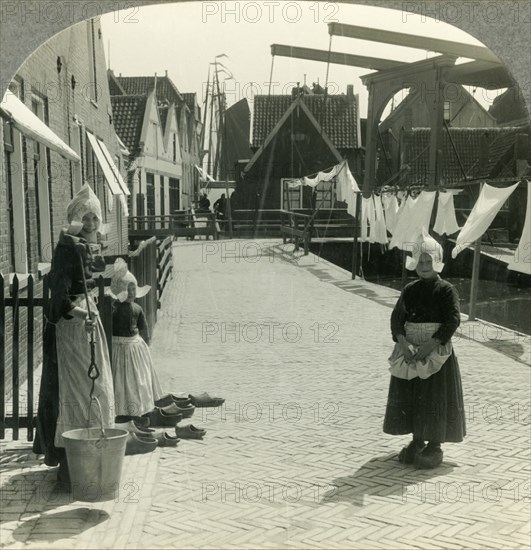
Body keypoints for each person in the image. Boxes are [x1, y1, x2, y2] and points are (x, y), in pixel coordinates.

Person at [33, 183, 115, 486]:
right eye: (85, 218)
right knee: (81, 392)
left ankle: (89, 455)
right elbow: (60, 301)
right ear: (74, 219)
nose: (91, 224)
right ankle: (73, 464)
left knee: (93, 389)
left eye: (95, 218)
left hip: (85, 323)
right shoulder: (69, 249)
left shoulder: (81, 247)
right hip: (74, 327)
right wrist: (85, 314)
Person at [383, 229, 466, 469]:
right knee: (414, 396)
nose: (425, 265)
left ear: (437, 261)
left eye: (429, 261)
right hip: (411, 351)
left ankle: (434, 445)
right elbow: (397, 319)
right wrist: (402, 341)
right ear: (414, 263)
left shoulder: (446, 290)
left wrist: (431, 344)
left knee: (435, 397)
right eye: (421, 261)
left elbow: (452, 320)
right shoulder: (410, 290)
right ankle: (417, 440)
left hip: (435, 352)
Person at [109, 258, 163, 420]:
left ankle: (140, 406)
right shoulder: (113, 309)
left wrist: (145, 343)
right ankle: (122, 407)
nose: (132, 293)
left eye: (133, 289)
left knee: (138, 377)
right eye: (128, 289)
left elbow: (143, 326)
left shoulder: (137, 309)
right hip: (119, 345)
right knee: (121, 378)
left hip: (135, 346)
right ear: (120, 291)